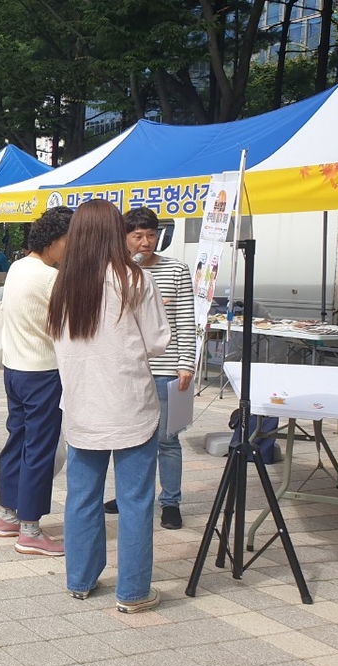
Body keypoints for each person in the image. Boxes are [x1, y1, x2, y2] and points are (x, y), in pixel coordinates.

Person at [47, 199, 170, 613]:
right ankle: (133, 592)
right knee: (135, 499)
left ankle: (80, 580)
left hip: (82, 403)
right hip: (130, 402)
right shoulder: (133, 279)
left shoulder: (63, 284)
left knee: (81, 495)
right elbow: (156, 342)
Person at [103, 207, 197, 530]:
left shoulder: (176, 270)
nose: (145, 242)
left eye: (151, 235)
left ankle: (170, 501)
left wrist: (186, 363)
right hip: (128, 371)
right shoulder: (115, 273)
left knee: (167, 440)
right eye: (138, 236)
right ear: (125, 238)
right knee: (127, 439)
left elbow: (186, 319)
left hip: (167, 369)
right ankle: (127, 494)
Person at [0, 206, 72, 556]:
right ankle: (30, 528)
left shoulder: (18, 267)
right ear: (55, 241)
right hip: (43, 371)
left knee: (18, 440)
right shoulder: (51, 278)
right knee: (39, 449)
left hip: (15, 368)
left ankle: (8, 515)